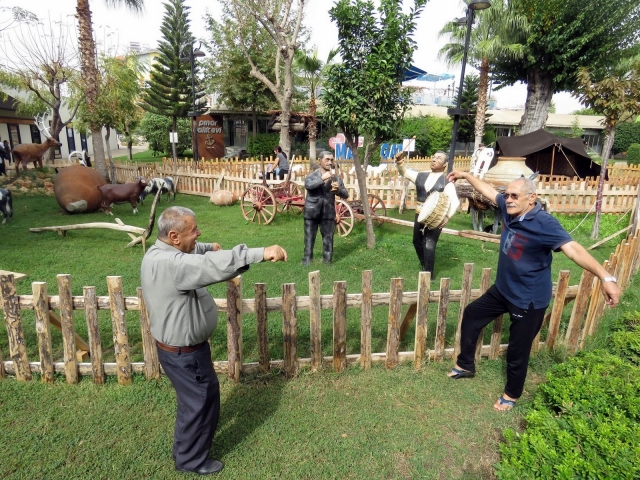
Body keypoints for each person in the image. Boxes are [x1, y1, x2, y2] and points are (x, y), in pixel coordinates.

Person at [444, 170, 621, 411]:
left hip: (528, 299)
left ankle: (511, 394)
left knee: (518, 350)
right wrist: (466, 175)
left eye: (515, 195)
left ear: (532, 198)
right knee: (473, 313)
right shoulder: (509, 209)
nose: (509, 199)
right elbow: (487, 191)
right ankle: (466, 364)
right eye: (507, 195)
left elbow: (574, 250)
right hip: (503, 289)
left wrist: (606, 276)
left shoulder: (544, 223)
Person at [140, 206, 287, 475]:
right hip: (185, 355)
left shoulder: (157, 252)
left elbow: (195, 252)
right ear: (174, 235)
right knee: (201, 402)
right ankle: (191, 461)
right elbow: (208, 266)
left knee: (191, 402)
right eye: (193, 230)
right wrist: (262, 253)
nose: (199, 233)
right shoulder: (175, 265)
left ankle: (183, 450)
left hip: (177, 351)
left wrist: (207, 246)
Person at [395, 150, 460, 274]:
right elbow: (404, 172)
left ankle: (428, 274)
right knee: (416, 241)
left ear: (445, 164)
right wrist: (400, 161)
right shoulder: (421, 175)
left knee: (429, 243)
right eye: (434, 157)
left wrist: (447, 217)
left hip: (436, 217)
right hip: (419, 214)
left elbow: (454, 201)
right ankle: (425, 265)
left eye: (439, 158)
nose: (434, 159)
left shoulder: (446, 182)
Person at [302, 150, 348, 266]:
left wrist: (338, 190)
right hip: (311, 211)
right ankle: (307, 259)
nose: (329, 162)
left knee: (328, 238)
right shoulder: (312, 176)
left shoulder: (336, 178)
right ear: (319, 161)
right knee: (309, 237)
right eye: (327, 159)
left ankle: (327, 261)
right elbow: (308, 186)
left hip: (328, 212)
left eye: (331, 160)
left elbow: (345, 194)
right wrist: (322, 178)